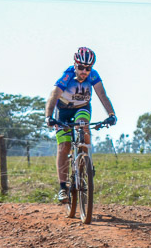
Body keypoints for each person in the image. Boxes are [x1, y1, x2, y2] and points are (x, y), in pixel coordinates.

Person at [44, 47, 117, 204]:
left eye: (88, 68)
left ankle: (87, 162)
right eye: (81, 67)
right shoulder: (67, 76)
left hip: (82, 107)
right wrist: (48, 117)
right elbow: (53, 96)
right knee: (64, 146)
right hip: (63, 111)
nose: (85, 71)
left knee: (84, 125)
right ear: (75, 65)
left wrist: (111, 114)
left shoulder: (94, 76)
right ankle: (63, 188)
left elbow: (102, 95)